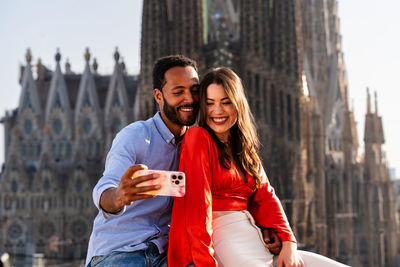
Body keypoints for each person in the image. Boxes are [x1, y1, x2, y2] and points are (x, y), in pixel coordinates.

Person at [168, 67, 350, 267]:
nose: (217, 111)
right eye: (210, 103)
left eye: (226, 102)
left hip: (254, 236)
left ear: (238, 104)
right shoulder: (198, 138)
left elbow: (265, 194)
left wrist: (288, 242)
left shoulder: (244, 149)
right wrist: (205, 264)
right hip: (222, 240)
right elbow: (197, 208)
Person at [85, 55, 200, 267]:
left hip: (166, 254)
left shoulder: (197, 144)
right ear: (158, 96)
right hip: (121, 250)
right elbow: (104, 188)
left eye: (194, 90)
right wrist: (119, 197)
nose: (189, 98)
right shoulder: (136, 135)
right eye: (178, 92)